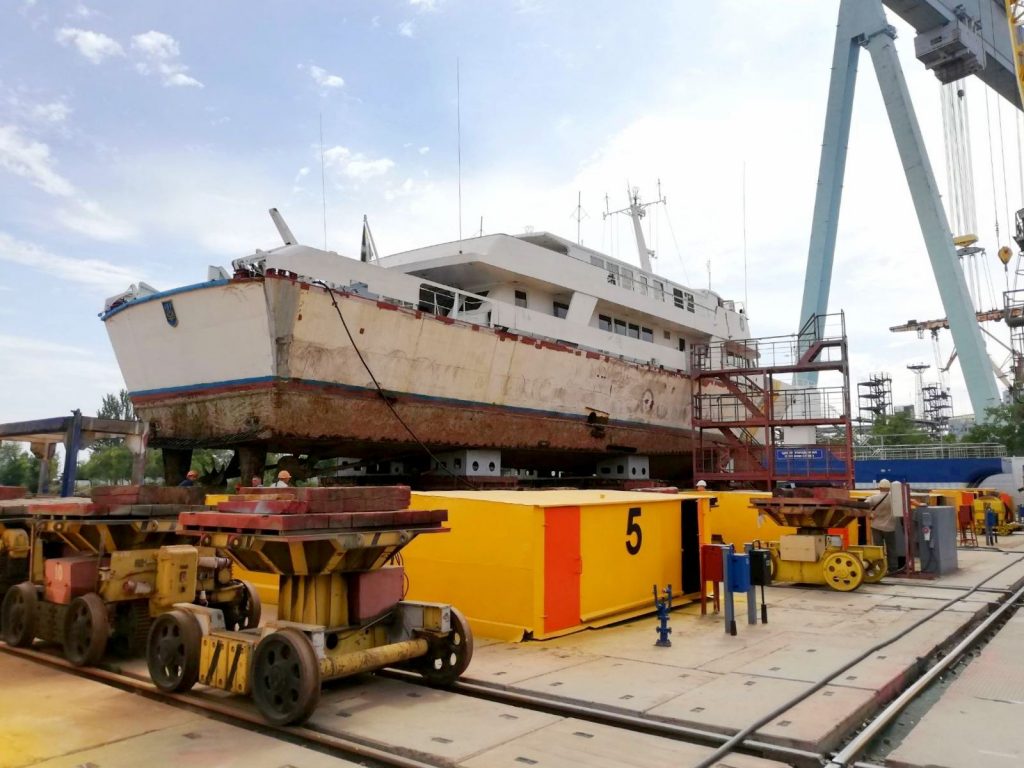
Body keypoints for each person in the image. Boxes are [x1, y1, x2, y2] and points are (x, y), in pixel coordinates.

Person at [866, 479, 898, 572]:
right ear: (889, 487)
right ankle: (893, 568)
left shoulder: (873, 498)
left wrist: (869, 514)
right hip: (890, 527)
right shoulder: (894, 498)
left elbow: (863, 505)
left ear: (879, 487)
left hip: (876, 527)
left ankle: (880, 568)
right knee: (891, 548)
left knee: (878, 549)